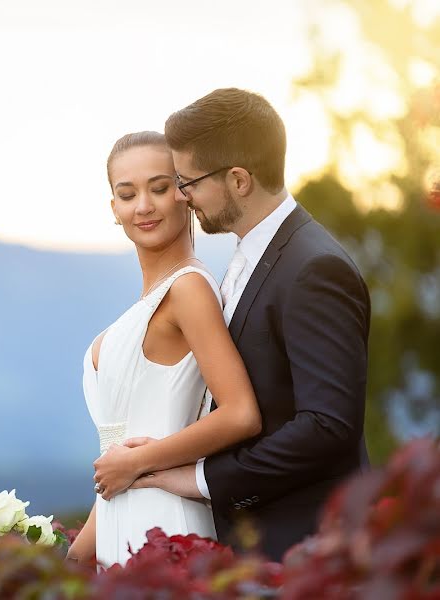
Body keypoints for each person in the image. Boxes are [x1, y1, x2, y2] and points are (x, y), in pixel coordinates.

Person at [128, 88, 371, 562]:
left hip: (305, 548)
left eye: (188, 181)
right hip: (257, 545)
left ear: (239, 180)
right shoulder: (252, 256)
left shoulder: (314, 268)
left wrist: (202, 480)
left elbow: (327, 426)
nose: (182, 195)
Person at [66, 131, 263, 569]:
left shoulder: (189, 289)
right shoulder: (149, 300)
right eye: (127, 193)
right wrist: (77, 555)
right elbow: (117, 466)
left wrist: (140, 461)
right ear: (113, 209)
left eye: (159, 187)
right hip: (120, 529)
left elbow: (241, 413)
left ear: (185, 194)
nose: (144, 206)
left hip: (168, 530)